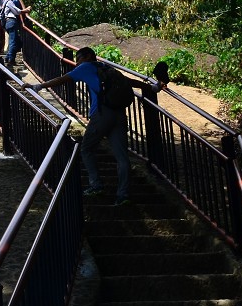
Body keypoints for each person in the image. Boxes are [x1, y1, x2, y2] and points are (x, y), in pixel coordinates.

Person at [21, 46, 167, 206]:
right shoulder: (106, 68)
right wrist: (153, 87)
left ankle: (96, 185)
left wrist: (39, 86)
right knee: (122, 157)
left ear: (88, 56)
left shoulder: (86, 67)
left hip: (102, 114)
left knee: (86, 148)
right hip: (119, 114)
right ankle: (122, 195)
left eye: (79, 58)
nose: (77, 63)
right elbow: (129, 81)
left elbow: (64, 79)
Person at [1, 0, 31, 68]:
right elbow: (17, 11)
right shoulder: (9, 2)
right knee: (13, 41)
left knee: (16, 41)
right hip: (11, 21)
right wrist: (26, 10)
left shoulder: (5, 2)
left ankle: (7, 57)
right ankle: (11, 60)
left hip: (8, 23)